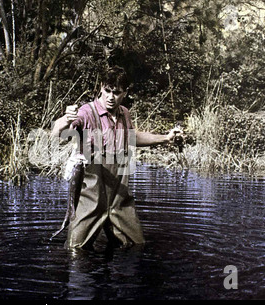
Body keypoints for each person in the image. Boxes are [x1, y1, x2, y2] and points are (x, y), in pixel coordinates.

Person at [51, 66, 181, 251]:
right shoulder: (86, 112)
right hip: (91, 198)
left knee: (137, 246)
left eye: (117, 93)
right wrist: (65, 119)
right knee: (75, 249)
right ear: (101, 87)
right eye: (107, 91)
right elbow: (56, 133)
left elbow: (133, 137)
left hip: (120, 198)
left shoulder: (124, 113)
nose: (111, 97)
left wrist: (165, 138)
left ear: (125, 93)